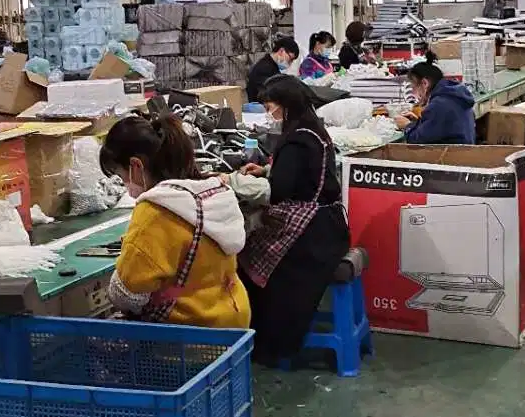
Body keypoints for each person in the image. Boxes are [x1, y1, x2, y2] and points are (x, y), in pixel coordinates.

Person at [99, 113, 250, 328]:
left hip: (192, 331)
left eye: (122, 177)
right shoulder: (216, 192)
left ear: (136, 166)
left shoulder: (156, 210)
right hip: (233, 317)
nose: (126, 186)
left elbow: (128, 295)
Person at [239, 75, 350, 361]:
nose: (268, 113)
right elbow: (302, 176)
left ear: (285, 105)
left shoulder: (297, 140)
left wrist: (235, 183)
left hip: (313, 237)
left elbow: (279, 191)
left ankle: (266, 343)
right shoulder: (313, 130)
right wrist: (265, 171)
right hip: (330, 226)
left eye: (270, 106)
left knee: (248, 256)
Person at [394, 60, 476, 144]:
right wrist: (419, 122)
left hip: (453, 155)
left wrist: (407, 125)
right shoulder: (452, 95)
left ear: (424, 83)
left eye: (414, 87)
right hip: (464, 152)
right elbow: (437, 127)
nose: (413, 93)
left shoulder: (439, 104)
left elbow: (416, 140)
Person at [246, 37, 299, 103]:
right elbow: (271, 93)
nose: (290, 63)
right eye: (290, 59)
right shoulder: (264, 69)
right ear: (281, 51)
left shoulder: (272, 66)